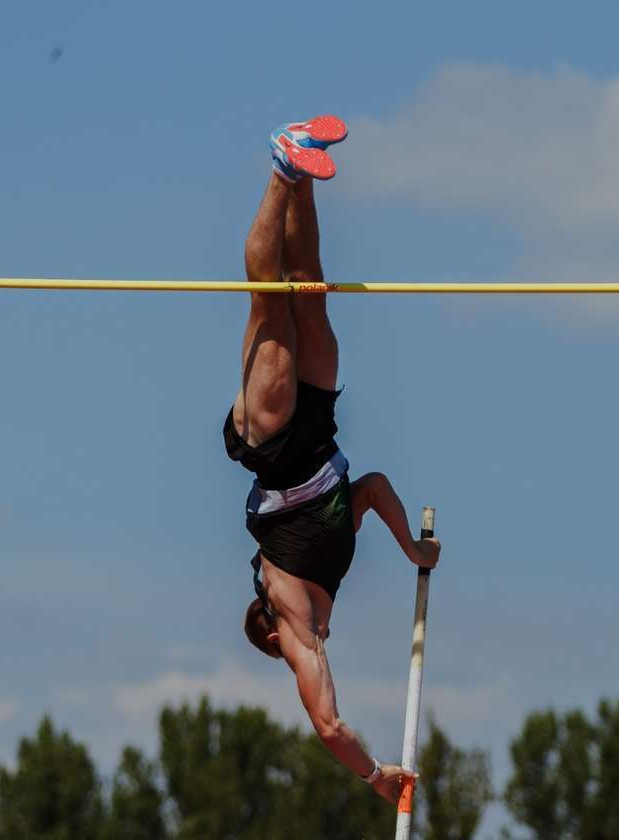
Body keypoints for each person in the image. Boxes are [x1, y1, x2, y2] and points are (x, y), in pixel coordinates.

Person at [223, 116, 441, 805]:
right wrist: (414, 551)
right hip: (317, 430)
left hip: (273, 441)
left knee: (272, 306)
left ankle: (281, 169)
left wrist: (376, 775)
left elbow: (328, 725)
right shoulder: (333, 564)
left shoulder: (294, 625)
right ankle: (305, 166)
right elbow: (372, 488)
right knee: (309, 287)